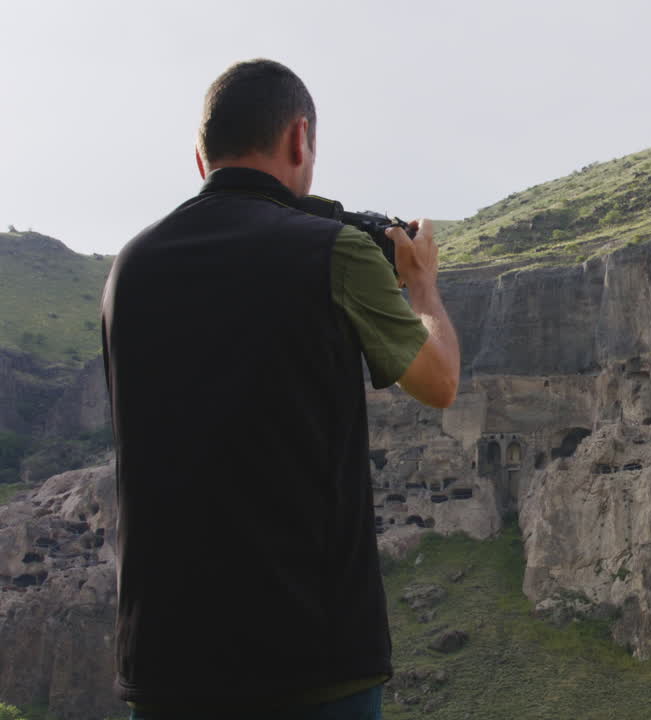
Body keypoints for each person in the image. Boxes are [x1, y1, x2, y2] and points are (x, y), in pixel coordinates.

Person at [101, 58, 460, 719]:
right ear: (300, 138)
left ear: (201, 159)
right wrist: (422, 284)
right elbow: (438, 384)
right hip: (310, 661)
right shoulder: (332, 250)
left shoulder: (129, 268)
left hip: (166, 666)